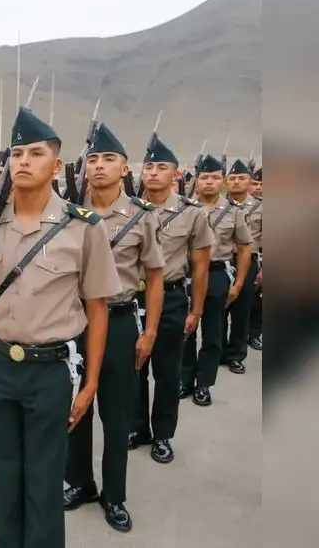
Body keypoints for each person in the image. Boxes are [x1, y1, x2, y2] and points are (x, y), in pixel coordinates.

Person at [0, 106, 120, 548]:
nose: (22, 162)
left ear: (56, 166)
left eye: (35, 153)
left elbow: (98, 309)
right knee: (3, 479)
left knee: (43, 484)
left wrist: (91, 381)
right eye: (16, 153)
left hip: (50, 371)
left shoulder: (83, 229)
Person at [65, 123, 165, 533]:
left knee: (116, 415)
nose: (100, 166)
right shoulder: (68, 213)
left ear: (125, 169)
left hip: (122, 321)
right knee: (74, 408)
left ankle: (115, 495)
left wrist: (151, 332)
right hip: (74, 324)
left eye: (109, 159)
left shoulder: (141, 217)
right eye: (93, 159)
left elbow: (155, 277)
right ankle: (81, 483)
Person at [131, 136, 213, 464]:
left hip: (171, 298)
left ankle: (163, 434)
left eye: (161, 167)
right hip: (131, 299)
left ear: (175, 175)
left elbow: (202, 266)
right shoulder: (128, 209)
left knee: (167, 372)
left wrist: (197, 310)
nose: (152, 173)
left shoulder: (191, 214)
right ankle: (137, 427)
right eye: (148, 166)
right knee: (133, 369)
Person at [180, 155, 252, 406]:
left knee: (213, 333)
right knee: (185, 330)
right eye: (204, 177)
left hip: (218, 274)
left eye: (214, 177)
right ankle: (185, 379)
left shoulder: (233, 212)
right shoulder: (184, 208)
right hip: (187, 276)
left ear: (221, 181)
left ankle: (204, 383)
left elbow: (244, 249)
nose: (209, 182)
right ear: (196, 181)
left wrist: (239, 283)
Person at [221, 160, 262, 373]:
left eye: (242, 178)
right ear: (226, 182)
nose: (237, 182)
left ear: (249, 182)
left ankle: (236, 354)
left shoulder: (261, 206)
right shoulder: (216, 205)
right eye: (233, 178)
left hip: (249, 262)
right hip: (222, 263)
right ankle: (218, 350)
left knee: (241, 310)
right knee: (217, 308)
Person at [247, 167, 263, 349]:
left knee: (258, 301)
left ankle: (254, 334)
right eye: (254, 183)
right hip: (234, 259)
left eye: (261, 184)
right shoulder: (233, 205)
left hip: (257, 258)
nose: (257, 187)